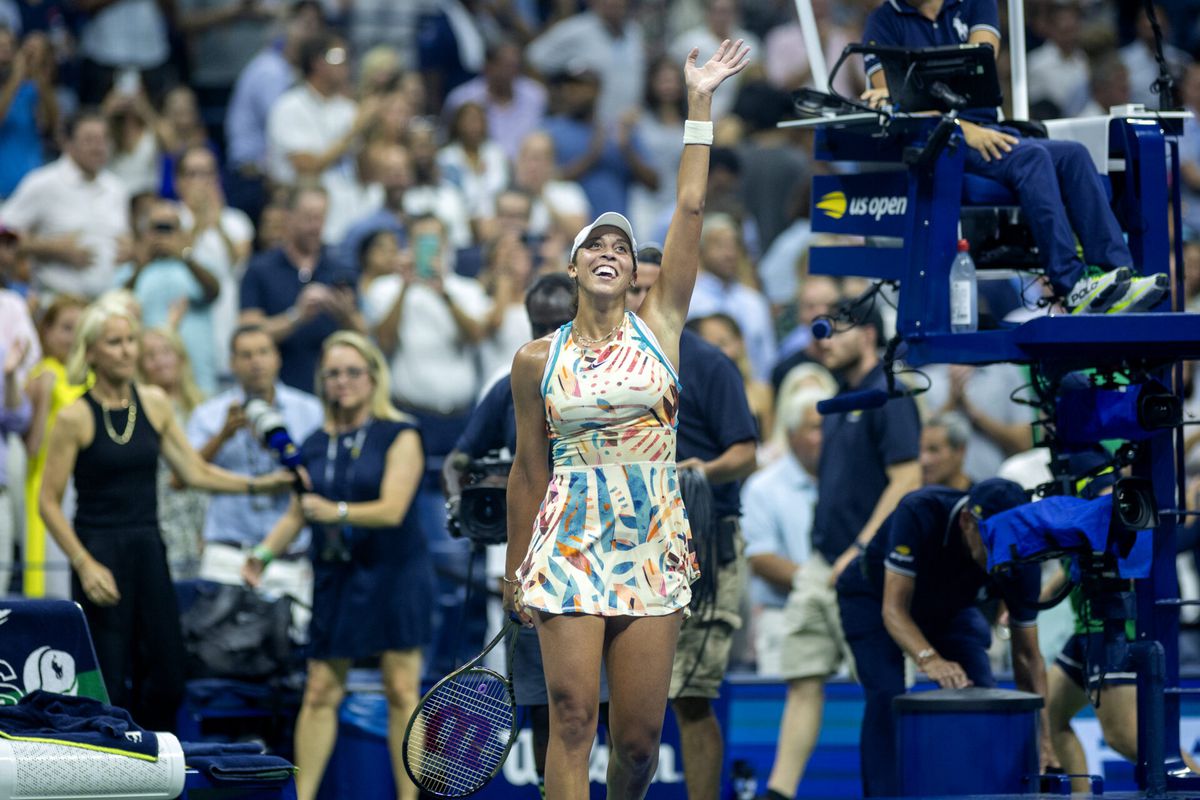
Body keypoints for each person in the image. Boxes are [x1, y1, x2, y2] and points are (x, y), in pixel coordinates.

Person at [503, 39, 750, 800]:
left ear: (632, 270)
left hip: (651, 534)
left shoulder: (664, 325)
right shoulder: (533, 359)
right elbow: (527, 469)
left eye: (619, 245)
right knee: (573, 718)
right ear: (573, 268)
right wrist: (516, 568)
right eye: (594, 245)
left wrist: (699, 106)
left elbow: (690, 205)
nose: (609, 251)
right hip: (570, 535)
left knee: (639, 743)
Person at [38, 299, 292, 731]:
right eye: (114, 342)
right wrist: (83, 562)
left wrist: (259, 484)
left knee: (169, 675)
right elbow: (48, 500)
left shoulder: (153, 403)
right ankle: (112, 777)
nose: (126, 351)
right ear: (92, 351)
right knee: (108, 681)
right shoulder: (74, 416)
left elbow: (193, 470)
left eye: (131, 341)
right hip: (99, 550)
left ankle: (151, 759)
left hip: (148, 545)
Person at [859, 0, 1167, 316]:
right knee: (1031, 156)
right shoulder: (883, 21)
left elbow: (978, 69)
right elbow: (892, 104)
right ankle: (1071, 284)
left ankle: (1117, 275)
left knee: (1073, 154)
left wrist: (914, 93)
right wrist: (958, 126)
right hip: (937, 141)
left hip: (988, 130)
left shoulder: (975, 5)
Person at [243, 331, 432, 800]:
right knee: (320, 691)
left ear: (372, 378)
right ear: (321, 381)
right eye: (332, 374)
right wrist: (263, 554)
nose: (342, 381)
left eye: (352, 372)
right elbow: (298, 511)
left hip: (395, 571)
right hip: (336, 574)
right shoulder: (310, 441)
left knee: (402, 690)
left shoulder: (400, 433)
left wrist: (338, 512)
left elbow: (392, 509)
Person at [759, 299, 921, 800]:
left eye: (835, 330)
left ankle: (888, 792)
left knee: (883, 689)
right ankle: (778, 793)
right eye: (819, 331)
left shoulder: (888, 394)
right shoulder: (837, 400)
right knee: (803, 679)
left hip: (868, 570)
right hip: (821, 567)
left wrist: (860, 547)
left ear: (869, 335)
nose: (823, 339)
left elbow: (907, 478)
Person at [629, 243, 759, 800]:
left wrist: (697, 470)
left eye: (653, 290)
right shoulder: (596, 364)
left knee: (691, 695)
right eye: (636, 289)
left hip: (705, 546)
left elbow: (747, 452)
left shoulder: (706, 361)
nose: (642, 300)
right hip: (628, 545)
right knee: (627, 701)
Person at [834, 478, 1052, 796]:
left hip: (951, 608)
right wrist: (930, 658)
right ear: (967, 521)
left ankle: (980, 792)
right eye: (992, 540)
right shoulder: (920, 510)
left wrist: (1045, 740)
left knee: (980, 696)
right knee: (887, 693)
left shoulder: (1021, 553)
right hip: (875, 596)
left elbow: (1027, 657)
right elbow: (894, 611)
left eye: (1011, 539)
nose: (1001, 553)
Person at [189, 325, 323, 605]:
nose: (256, 362)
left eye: (263, 352)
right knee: (214, 643)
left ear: (277, 357)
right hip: (228, 552)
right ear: (232, 363)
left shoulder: (310, 410)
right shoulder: (210, 414)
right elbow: (185, 474)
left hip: (290, 555)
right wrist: (223, 435)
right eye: (246, 355)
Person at [1, 112, 129, 299]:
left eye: (103, 139)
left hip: (105, 304)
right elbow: (3, 234)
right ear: (67, 143)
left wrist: (129, 250)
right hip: (55, 302)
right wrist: (51, 248)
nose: (99, 148)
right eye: (89, 140)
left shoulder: (117, 188)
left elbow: (125, 240)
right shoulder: (43, 183)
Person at [23, 294, 87, 599]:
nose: (73, 337)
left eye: (80, 328)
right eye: (66, 327)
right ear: (46, 331)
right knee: (52, 581)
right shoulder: (43, 374)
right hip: (49, 482)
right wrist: (45, 393)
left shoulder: (93, 377)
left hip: (84, 482)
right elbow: (32, 446)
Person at [139, 327, 208, 580]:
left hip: (203, 520)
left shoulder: (205, 406)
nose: (160, 361)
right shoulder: (138, 412)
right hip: (164, 520)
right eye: (151, 355)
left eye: (166, 352)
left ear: (180, 357)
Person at [919, 411, 972, 490]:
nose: (923, 460)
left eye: (934, 450)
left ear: (960, 451)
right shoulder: (916, 498)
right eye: (920, 450)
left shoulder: (980, 499)